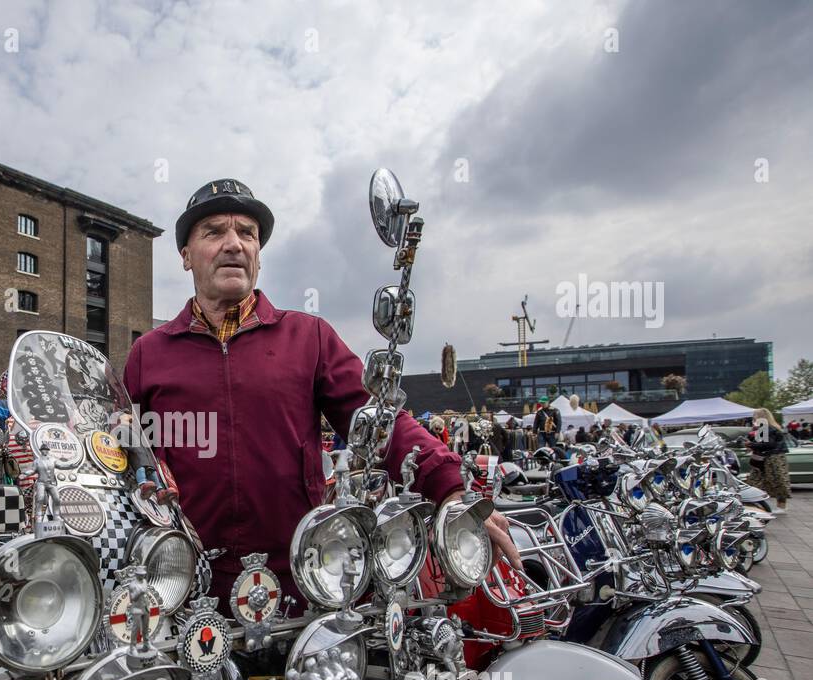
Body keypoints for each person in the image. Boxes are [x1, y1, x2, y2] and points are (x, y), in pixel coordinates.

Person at [123, 178, 520, 610]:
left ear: (259, 254)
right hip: (188, 587)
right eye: (214, 231)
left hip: (302, 581)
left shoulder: (309, 337)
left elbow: (378, 420)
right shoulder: (149, 353)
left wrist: (452, 488)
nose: (234, 244)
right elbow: (126, 457)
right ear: (185, 255)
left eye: (247, 233)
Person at [747, 408, 790, 514]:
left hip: (772, 458)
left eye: (755, 415)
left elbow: (767, 444)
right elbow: (762, 442)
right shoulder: (769, 426)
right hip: (774, 457)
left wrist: (750, 445)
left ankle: (779, 507)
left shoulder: (765, 426)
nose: (753, 417)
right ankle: (778, 506)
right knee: (774, 480)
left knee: (775, 480)